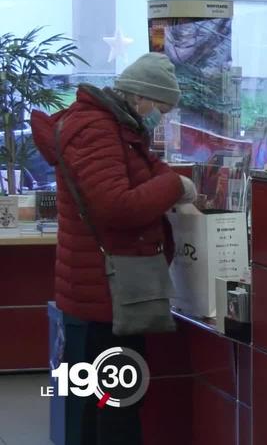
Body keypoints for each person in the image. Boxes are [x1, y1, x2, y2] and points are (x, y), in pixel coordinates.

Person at [30, 53, 197, 445]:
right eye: (162, 108)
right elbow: (115, 206)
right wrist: (174, 187)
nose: (162, 117)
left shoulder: (119, 127)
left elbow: (151, 170)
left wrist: (171, 180)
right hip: (108, 294)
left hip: (104, 291)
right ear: (141, 97)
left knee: (102, 403)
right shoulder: (98, 130)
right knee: (112, 406)